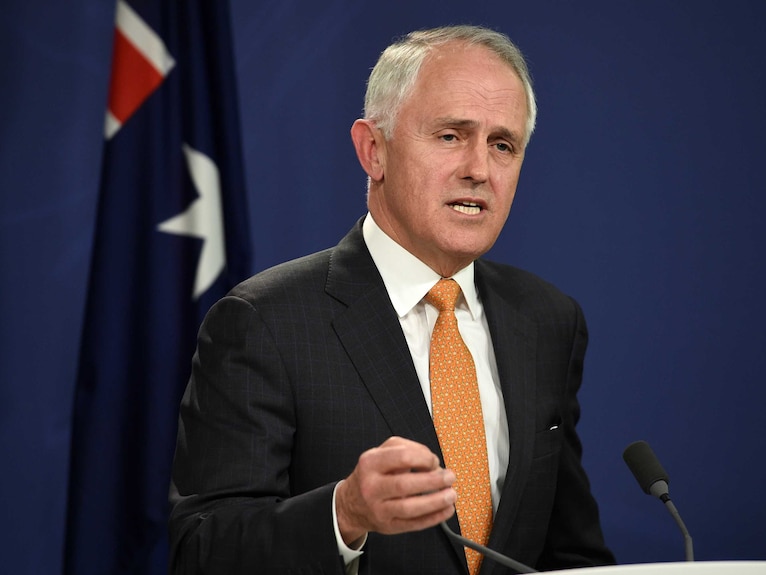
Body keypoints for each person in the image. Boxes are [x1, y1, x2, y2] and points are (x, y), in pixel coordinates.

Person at [169, 24, 616, 574]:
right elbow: (202, 550)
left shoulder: (547, 319)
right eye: (451, 136)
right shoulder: (265, 322)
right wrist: (344, 514)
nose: (479, 169)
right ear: (373, 150)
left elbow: (570, 552)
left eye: (503, 145)